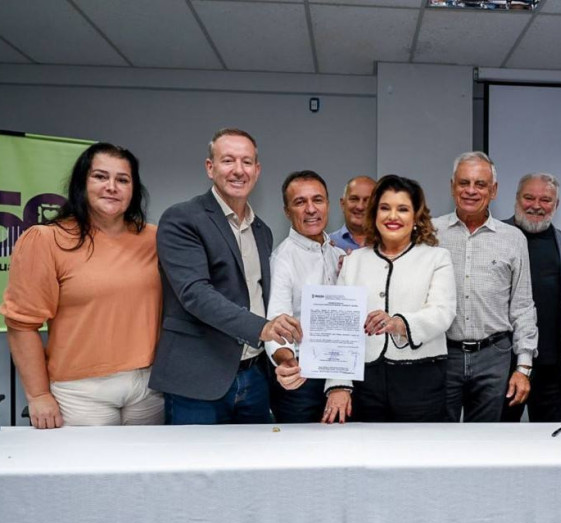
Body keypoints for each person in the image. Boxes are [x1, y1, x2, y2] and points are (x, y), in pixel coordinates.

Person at [1, 142, 163, 428]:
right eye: (100, 176)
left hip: (149, 387)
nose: (111, 186)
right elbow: (21, 324)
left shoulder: (155, 239)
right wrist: (38, 395)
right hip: (81, 393)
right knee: (92, 474)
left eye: (122, 179)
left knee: (145, 473)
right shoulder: (46, 240)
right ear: (81, 183)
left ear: (134, 189)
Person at [149, 128, 300, 425]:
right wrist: (263, 327)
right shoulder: (182, 219)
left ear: (257, 171)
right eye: (228, 160)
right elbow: (195, 293)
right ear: (210, 167)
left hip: (255, 378)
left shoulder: (262, 231)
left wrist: (282, 350)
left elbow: (260, 298)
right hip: (198, 381)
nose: (238, 170)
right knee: (194, 469)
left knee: (254, 469)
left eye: (247, 162)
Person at [320, 174, 456, 423]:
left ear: (416, 217)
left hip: (421, 380)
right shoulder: (353, 262)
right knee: (364, 455)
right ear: (374, 214)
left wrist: (399, 323)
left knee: (419, 455)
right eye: (385, 208)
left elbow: (442, 312)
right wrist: (338, 385)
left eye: (402, 209)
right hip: (364, 383)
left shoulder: (437, 258)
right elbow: (337, 328)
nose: (392, 216)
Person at [432, 152, 537, 423]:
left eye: (480, 184)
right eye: (464, 182)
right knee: (437, 438)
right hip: (442, 353)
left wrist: (523, 367)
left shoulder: (513, 238)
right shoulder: (430, 234)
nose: (471, 190)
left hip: (494, 356)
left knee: (485, 442)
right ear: (452, 186)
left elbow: (523, 306)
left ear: (494, 190)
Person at [267, 170, 344, 422]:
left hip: (340, 374)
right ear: (287, 211)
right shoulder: (283, 258)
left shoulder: (338, 255)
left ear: (328, 205)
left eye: (318, 200)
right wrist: (285, 360)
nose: (311, 209)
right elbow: (276, 322)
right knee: (299, 453)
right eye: (300, 202)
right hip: (301, 378)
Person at [502, 173, 561, 422]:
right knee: (497, 443)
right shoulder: (495, 237)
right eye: (529, 197)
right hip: (502, 366)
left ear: (557, 205)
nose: (536, 205)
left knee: (552, 444)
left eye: (545, 199)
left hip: (552, 369)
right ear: (516, 198)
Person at [330, 175, 375, 251]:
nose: (360, 207)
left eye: (368, 201)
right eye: (354, 199)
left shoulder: (388, 245)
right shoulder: (327, 244)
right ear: (343, 204)